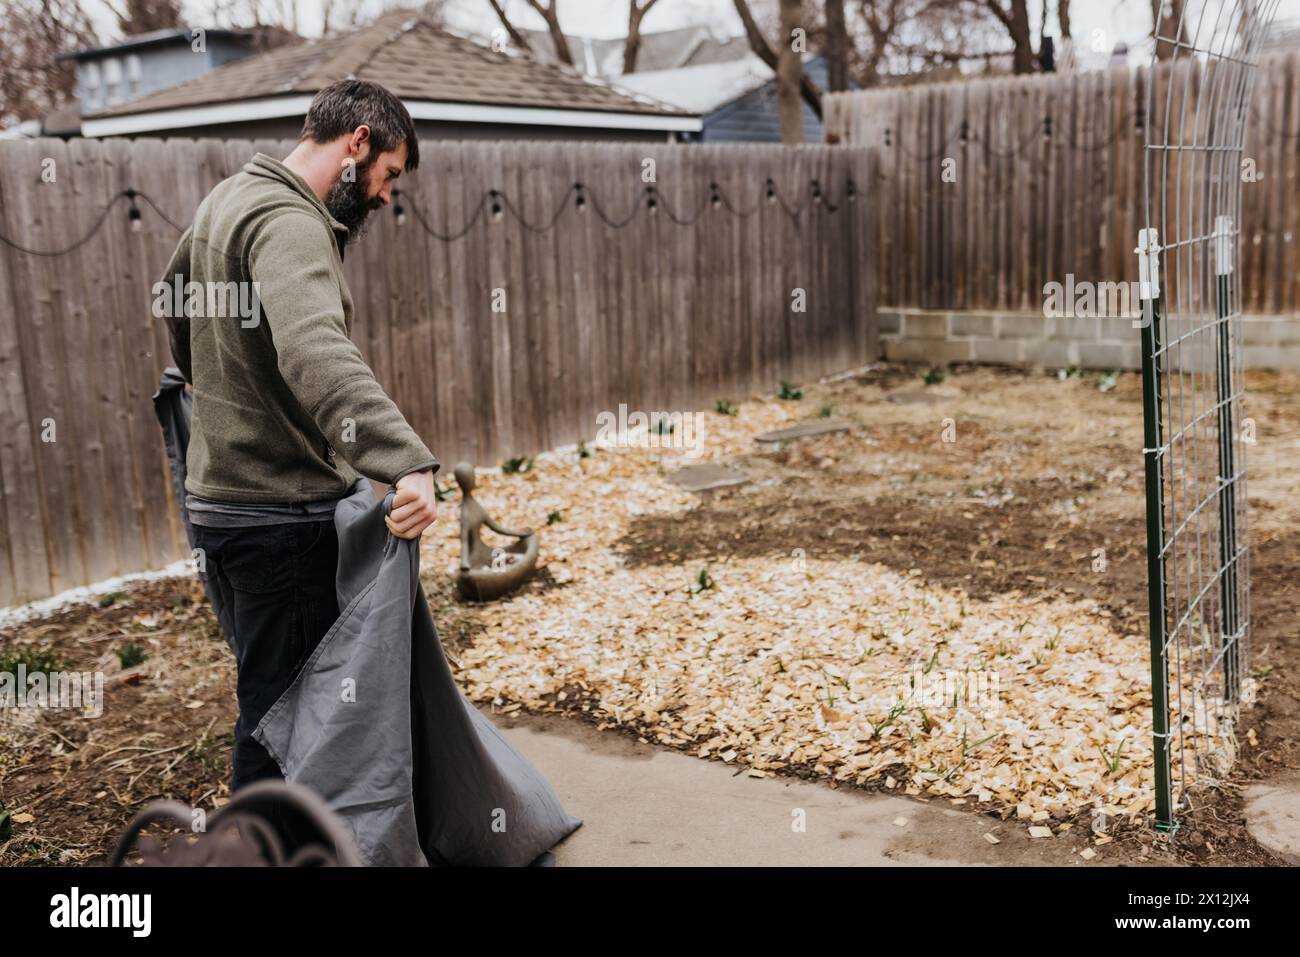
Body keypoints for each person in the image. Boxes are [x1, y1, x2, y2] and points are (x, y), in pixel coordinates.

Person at [157, 78, 440, 800]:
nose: (385, 195)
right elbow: (316, 351)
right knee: (289, 718)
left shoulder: (228, 199)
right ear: (358, 144)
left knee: (269, 692)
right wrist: (406, 461)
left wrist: (212, 384)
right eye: (390, 174)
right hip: (277, 516)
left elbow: (175, 298)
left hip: (219, 505)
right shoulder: (290, 222)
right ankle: (257, 847)